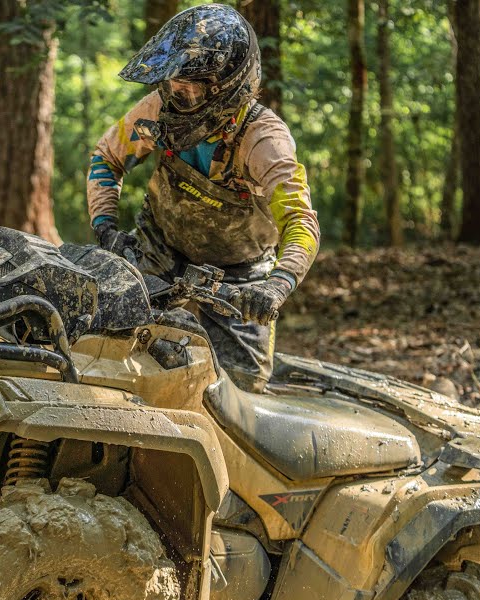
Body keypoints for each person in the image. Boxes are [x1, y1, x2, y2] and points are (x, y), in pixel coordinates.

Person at [87, 4, 321, 392]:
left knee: (240, 392)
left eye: (190, 89)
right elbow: (107, 156)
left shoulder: (263, 140)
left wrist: (277, 284)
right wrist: (106, 227)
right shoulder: (158, 109)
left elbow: (300, 221)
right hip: (158, 251)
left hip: (239, 277)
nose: (178, 97)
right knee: (106, 354)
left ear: (226, 89)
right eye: (173, 85)